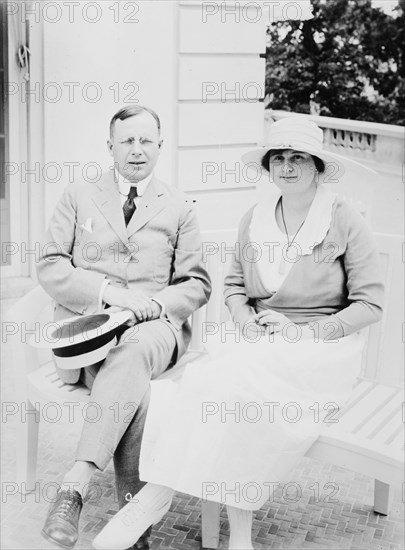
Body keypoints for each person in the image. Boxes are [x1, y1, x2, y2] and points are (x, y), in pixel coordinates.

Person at [92, 117, 384, 550]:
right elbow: (232, 286)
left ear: (318, 167)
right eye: (279, 158)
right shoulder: (256, 217)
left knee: (229, 388)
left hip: (322, 349)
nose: (287, 167)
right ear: (269, 167)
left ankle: (155, 499)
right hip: (259, 344)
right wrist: (245, 319)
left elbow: (371, 304)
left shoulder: (343, 220)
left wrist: (305, 332)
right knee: (220, 390)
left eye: (298, 158)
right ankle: (229, 533)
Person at [37, 105, 211, 550]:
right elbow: (51, 265)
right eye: (127, 141)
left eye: (146, 141)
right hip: (88, 330)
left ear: (159, 146)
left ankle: (74, 485)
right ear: (109, 146)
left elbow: (196, 283)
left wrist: (151, 304)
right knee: (135, 390)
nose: (137, 150)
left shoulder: (180, 206)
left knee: (130, 356)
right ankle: (133, 528)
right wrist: (108, 294)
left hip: (153, 328)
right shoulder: (78, 194)